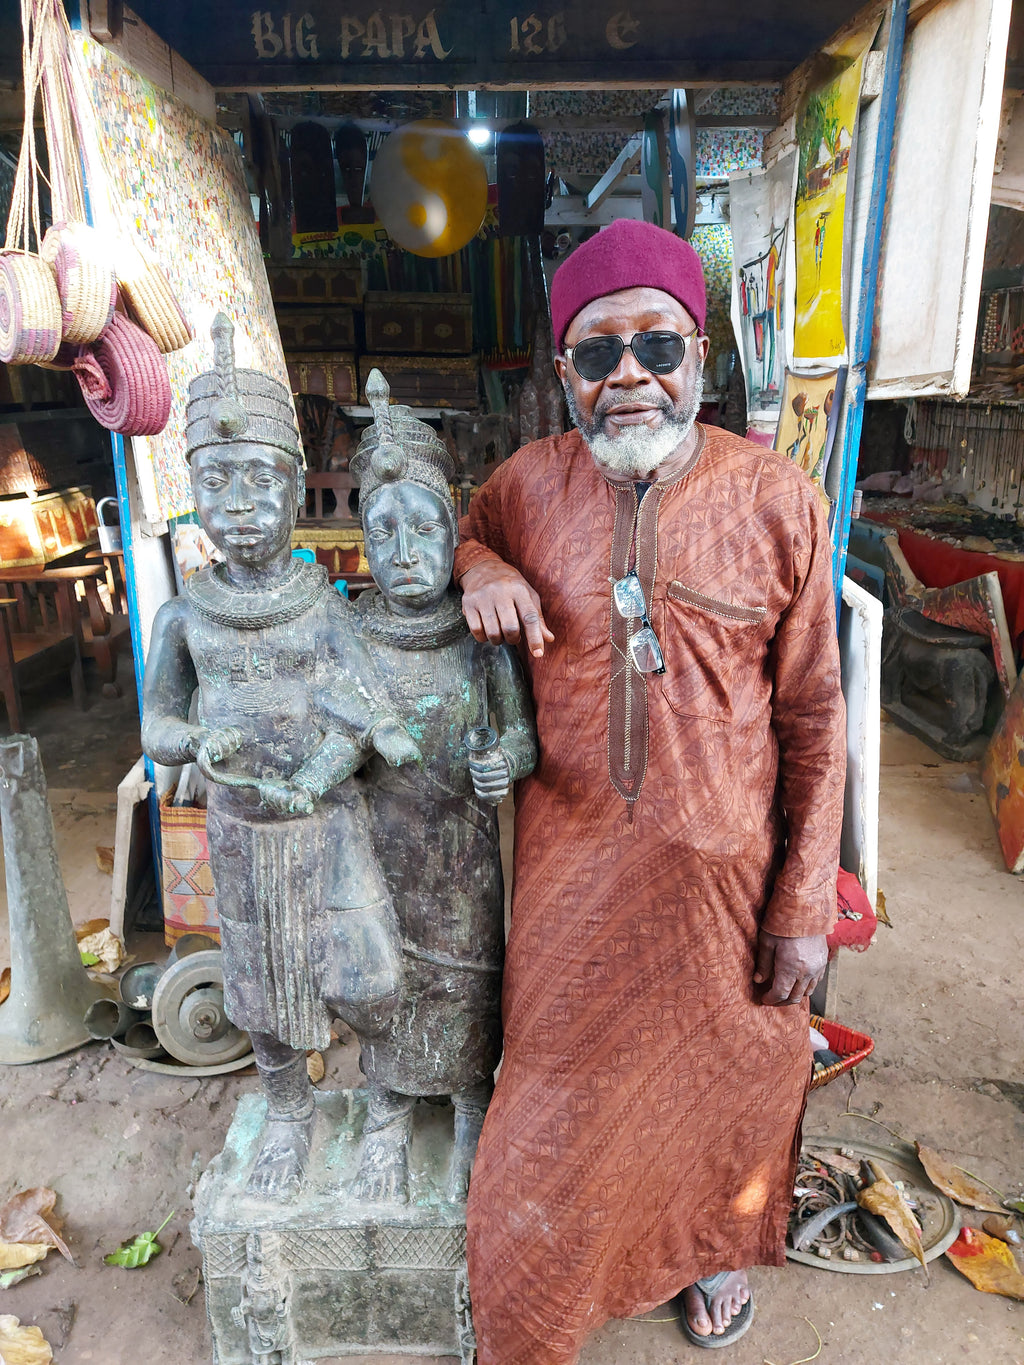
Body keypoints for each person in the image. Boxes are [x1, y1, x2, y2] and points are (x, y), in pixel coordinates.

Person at [453, 219, 846, 1361]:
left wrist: (804, 903)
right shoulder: (526, 488)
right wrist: (479, 566)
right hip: (572, 886)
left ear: (700, 359)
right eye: (595, 354)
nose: (628, 375)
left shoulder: (777, 500)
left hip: (727, 889)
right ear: (564, 375)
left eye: (656, 348)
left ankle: (711, 1250)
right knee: (547, 1124)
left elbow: (817, 717)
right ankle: (552, 1297)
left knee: (724, 1095)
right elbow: (455, 535)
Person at [142, 315, 420, 1200]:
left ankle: (384, 1112)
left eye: (262, 480)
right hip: (240, 831)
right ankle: (291, 1112)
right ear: (193, 493)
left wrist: (316, 774)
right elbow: (154, 724)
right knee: (260, 992)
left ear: (296, 488)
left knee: (370, 974)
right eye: (217, 482)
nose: (242, 505)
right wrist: (189, 740)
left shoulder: (327, 608)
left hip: (329, 826)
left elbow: (367, 713)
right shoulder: (184, 618)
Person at [346, 370, 536, 1206]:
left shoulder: (480, 630)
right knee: (383, 976)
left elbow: (522, 734)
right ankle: (386, 1102)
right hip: (381, 853)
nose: (405, 551)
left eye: (424, 528)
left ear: (451, 530)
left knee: (466, 977)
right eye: (382, 533)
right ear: (361, 543)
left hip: (463, 854)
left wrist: (507, 762)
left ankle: (468, 1098)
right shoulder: (349, 634)